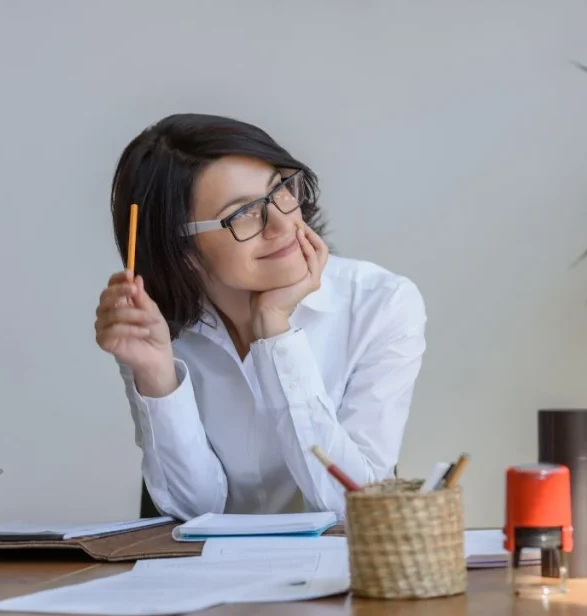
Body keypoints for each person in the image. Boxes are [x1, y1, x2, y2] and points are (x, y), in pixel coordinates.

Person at [95, 113, 426, 520]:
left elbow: (355, 504)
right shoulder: (150, 325)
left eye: (281, 190)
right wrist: (157, 375)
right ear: (180, 248)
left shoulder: (381, 304)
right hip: (208, 577)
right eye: (244, 213)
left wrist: (276, 333)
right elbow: (194, 511)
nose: (283, 222)